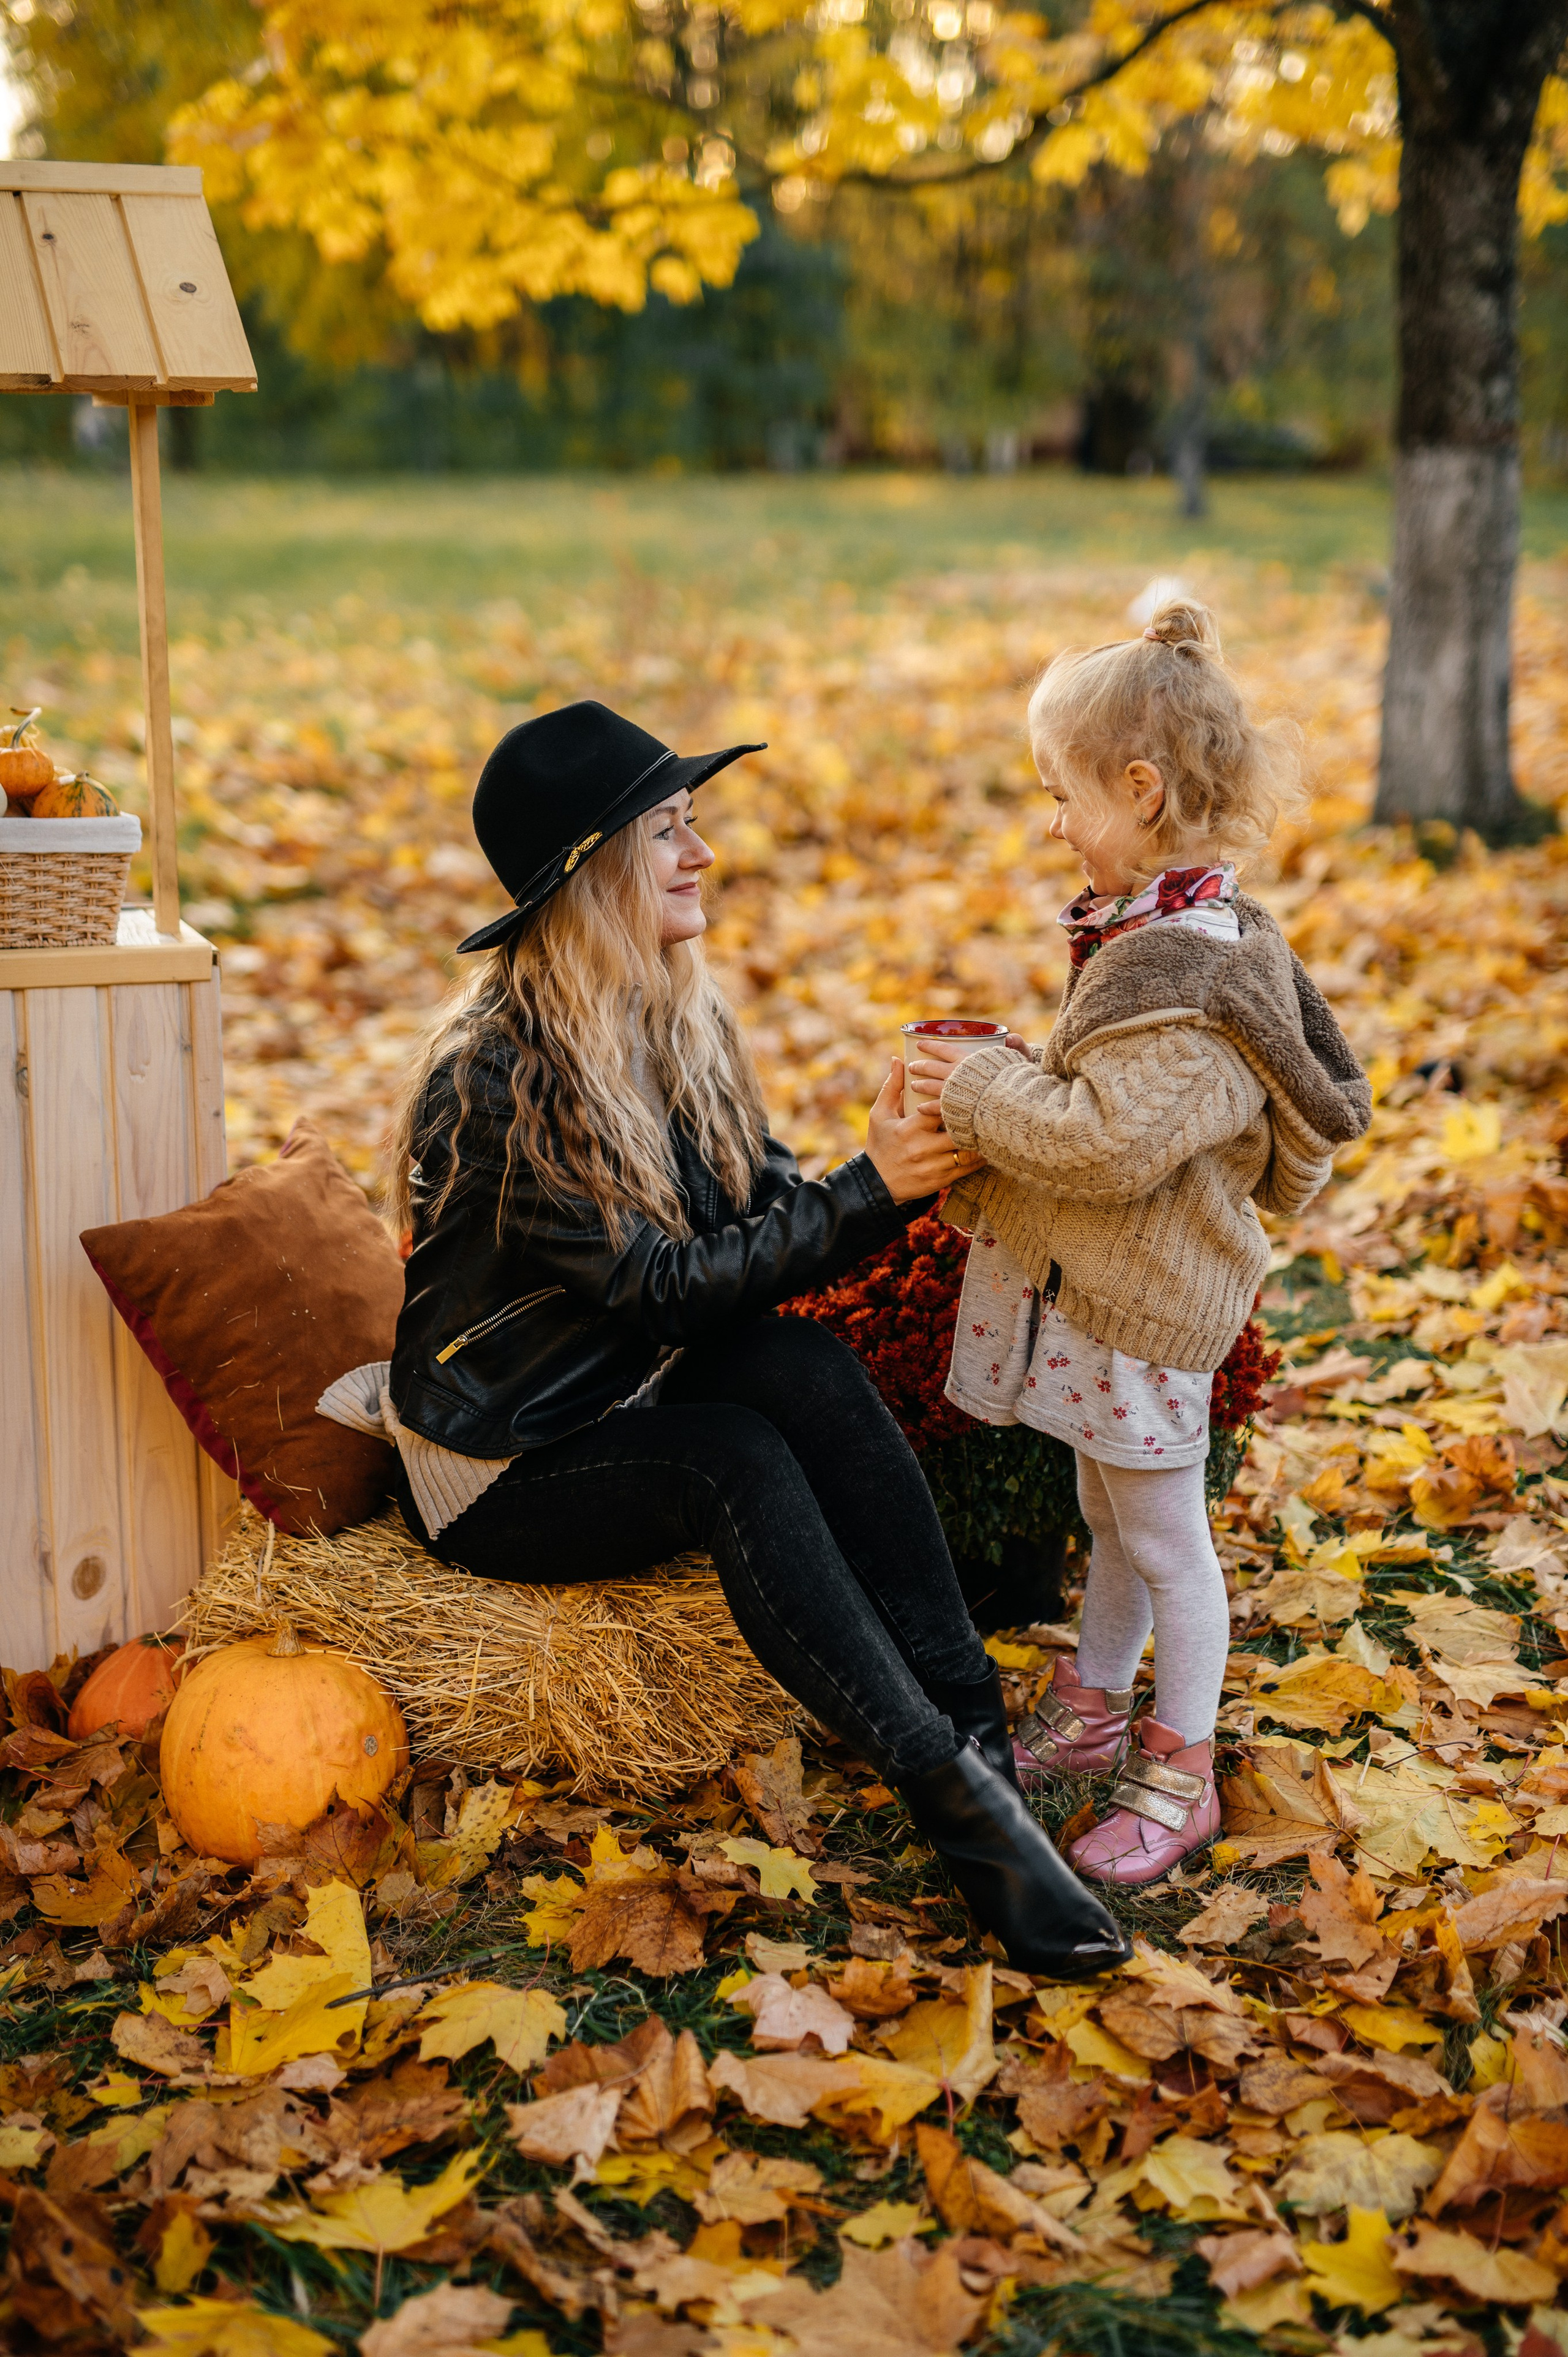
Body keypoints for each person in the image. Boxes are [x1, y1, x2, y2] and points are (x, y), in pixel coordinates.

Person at [363, 700, 1129, 1976]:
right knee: (735, 1458)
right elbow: (663, 1289)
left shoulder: (675, 1016)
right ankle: (964, 1822)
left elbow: (763, 1229)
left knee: (805, 1370)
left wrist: (896, 1160)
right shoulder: (497, 1072)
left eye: (694, 823)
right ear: (594, 868)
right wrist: (866, 1189)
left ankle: (979, 1743)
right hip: (506, 1455)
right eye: (669, 831)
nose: (702, 853)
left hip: (625, 1384)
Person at [905, 598, 1370, 1884]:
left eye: (1059, 795)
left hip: (1150, 1318)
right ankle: (1095, 1701)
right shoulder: (1153, 934)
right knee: (1106, 1516)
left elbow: (1110, 1139)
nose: (1050, 822)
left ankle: (1179, 1765)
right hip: (1110, 1303)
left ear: (1139, 787)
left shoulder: (1196, 977)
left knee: (1165, 1540)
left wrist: (979, 1091)